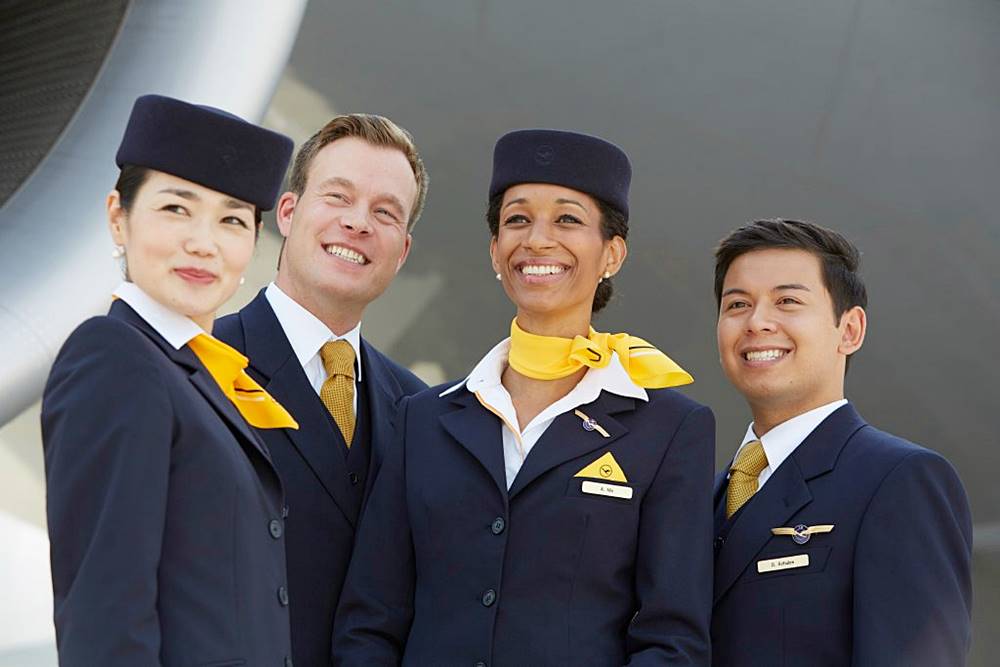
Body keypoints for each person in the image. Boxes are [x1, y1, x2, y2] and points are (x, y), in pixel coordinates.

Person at [334, 129, 715, 665]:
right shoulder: (423, 418)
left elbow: (672, 641)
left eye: (567, 219)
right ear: (495, 250)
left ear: (612, 253)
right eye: (517, 219)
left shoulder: (670, 430)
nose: (537, 240)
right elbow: (369, 620)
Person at [41, 94, 297, 666]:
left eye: (232, 220)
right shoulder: (115, 358)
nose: (203, 242)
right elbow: (104, 618)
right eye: (176, 209)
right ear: (117, 216)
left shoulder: (198, 376)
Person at [213, 114, 427, 667]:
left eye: (385, 212)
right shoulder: (197, 365)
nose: (358, 223)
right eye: (338, 197)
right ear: (288, 213)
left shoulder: (419, 411)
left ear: (402, 251)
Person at [711, 218, 972, 666]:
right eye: (737, 304)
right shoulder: (701, 495)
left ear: (849, 330)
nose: (757, 322)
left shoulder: (899, 480)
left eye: (788, 301)